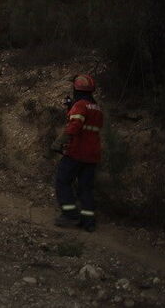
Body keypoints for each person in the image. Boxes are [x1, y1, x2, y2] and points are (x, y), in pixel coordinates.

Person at [51, 73, 103, 232]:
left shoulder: (80, 105)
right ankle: (88, 222)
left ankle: (70, 214)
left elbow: (75, 125)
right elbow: (87, 123)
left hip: (77, 152)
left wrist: (59, 142)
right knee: (85, 188)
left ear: (77, 88)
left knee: (62, 180)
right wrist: (70, 107)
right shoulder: (97, 108)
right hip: (93, 155)